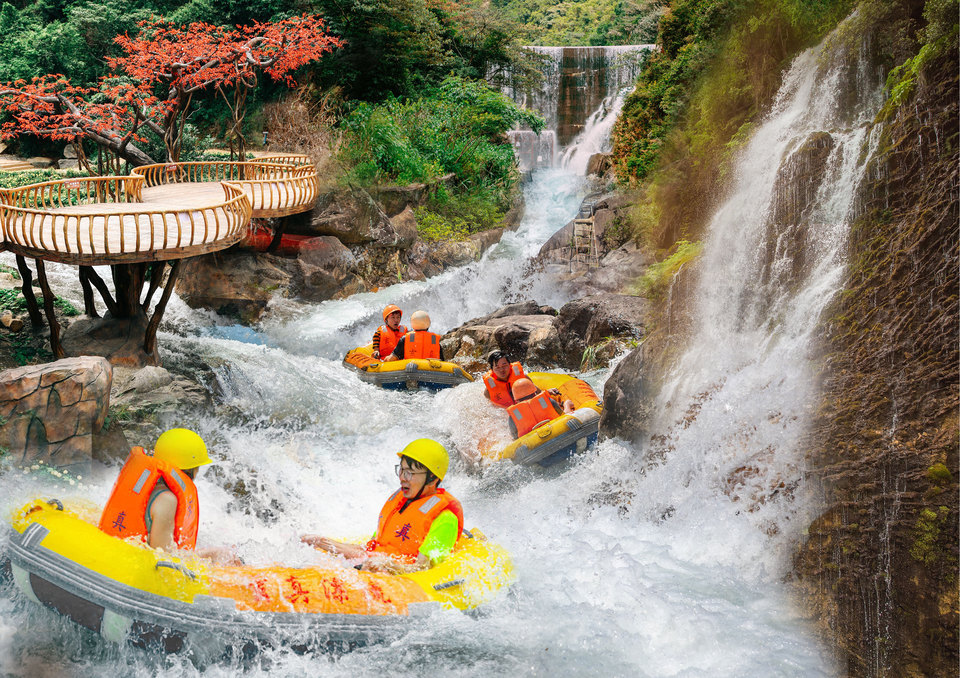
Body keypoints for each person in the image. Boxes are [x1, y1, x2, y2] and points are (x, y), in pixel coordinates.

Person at [301, 439, 463, 574]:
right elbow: (369, 550)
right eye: (401, 470)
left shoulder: (445, 521)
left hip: (400, 578)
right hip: (375, 564)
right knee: (316, 544)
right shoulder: (400, 504)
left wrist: (390, 566)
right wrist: (322, 542)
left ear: (432, 479)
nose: (402, 478)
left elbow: (422, 568)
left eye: (410, 473)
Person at [98, 428, 236, 562]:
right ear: (193, 469)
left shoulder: (150, 486)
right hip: (129, 570)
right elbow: (162, 558)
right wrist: (211, 554)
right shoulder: (167, 500)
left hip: (112, 553)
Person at [506, 378, 576, 439]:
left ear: (516, 400)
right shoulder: (548, 401)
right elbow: (565, 417)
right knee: (567, 403)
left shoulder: (513, 417)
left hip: (532, 445)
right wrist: (567, 405)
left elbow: (515, 439)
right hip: (558, 434)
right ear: (535, 393)